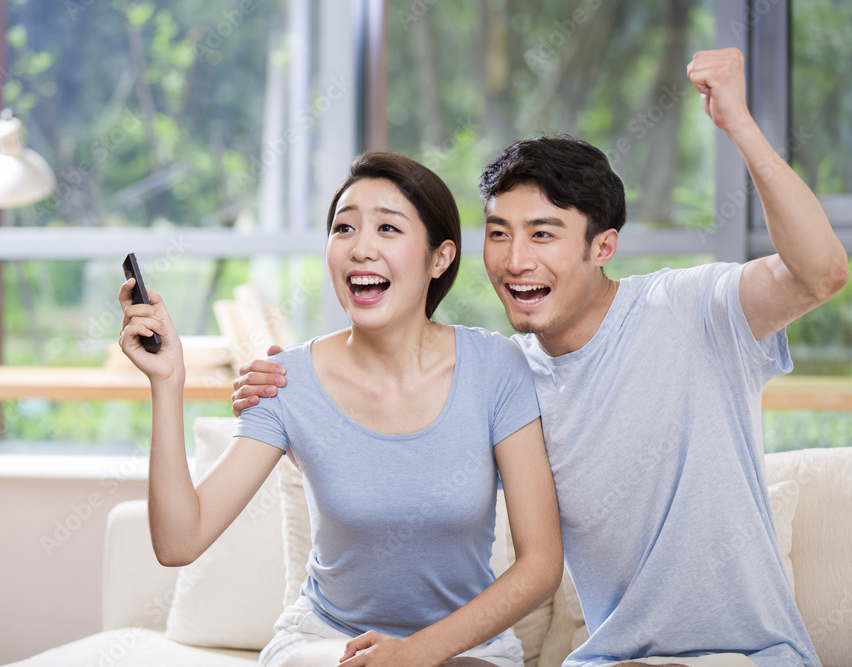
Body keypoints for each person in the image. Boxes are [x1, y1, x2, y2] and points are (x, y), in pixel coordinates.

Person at [231, 48, 848, 667]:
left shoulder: (691, 309)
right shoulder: (508, 376)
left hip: (746, 656)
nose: (515, 260)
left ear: (602, 245)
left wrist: (738, 122)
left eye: (543, 234)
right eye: (499, 233)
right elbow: (400, 377)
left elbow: (821, 274)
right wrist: (295, 376)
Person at [119, 151, 563, 667]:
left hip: (465, 651)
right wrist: (168, 382)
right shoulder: (288, 381)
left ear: (439, 258)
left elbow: (541, 564)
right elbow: (179, 541)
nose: (360, 249)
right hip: (325, 646)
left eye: (388, 230)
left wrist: (416, 653)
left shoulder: (495, 369)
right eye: (344, 228)